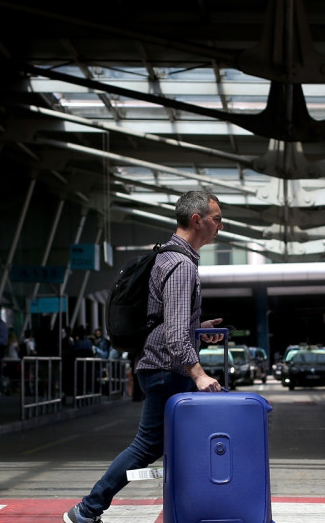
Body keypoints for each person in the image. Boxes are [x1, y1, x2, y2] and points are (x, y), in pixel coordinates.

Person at [63, 190, 225, 523]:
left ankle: (191, 509)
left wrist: (199, 326)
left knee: (175, 443)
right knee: (147, 445)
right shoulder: (181, 266)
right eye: (217, 219)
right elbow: (176, 336)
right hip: (167, 367)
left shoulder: (167, 256)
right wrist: (199, 374)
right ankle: (87, 509)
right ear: (197, 220)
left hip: (158, 364)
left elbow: (167, 321)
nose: (220, 227)